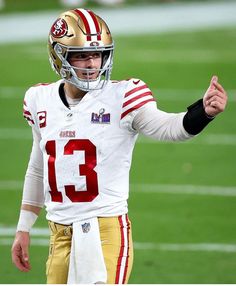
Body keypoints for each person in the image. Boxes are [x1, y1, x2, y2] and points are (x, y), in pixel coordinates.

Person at [11, 8, 227, 284]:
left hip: (105, 232)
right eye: (81, 55)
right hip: (60, 233)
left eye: (97, 54)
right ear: (59, 56)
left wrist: (203, 113)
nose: (91, 64)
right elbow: (38, 167)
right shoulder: (38, 99)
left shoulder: (123, 95)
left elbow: (169, 128)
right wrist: (24, 227)